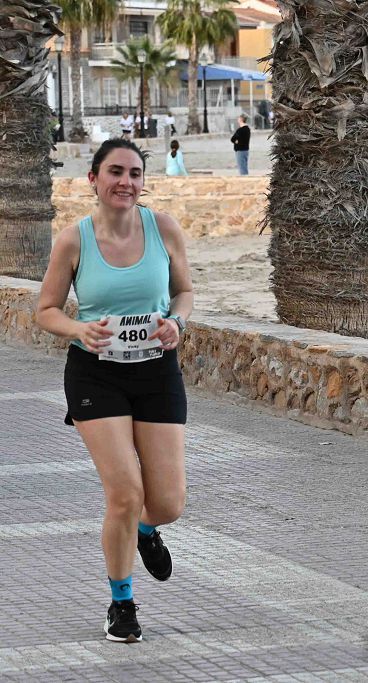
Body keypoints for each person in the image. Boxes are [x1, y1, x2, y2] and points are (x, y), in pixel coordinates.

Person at [35, 138, 194, 643]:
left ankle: (148, 531)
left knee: (166, 502)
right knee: (124, 492)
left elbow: (184, 292)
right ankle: (121, 605)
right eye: (115, 172)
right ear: (94, 180)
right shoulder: (73, 240)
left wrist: (177, 323)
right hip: (95, 375)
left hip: (156, 371)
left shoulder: (163, 227)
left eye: (134, 173)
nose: (125, 181)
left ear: (143, 181)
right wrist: (79, 330)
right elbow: (46, 310)